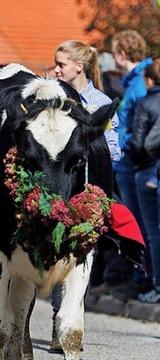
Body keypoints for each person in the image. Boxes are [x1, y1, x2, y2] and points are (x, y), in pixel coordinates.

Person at [51, 39, 120, 351]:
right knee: (54, 251)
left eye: (61, 64)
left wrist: (89, 150)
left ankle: (69, 317)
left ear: (78, 67)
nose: (55, 69)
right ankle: (58, 318)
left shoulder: (100, 102)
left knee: (80, 255)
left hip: (89, 192)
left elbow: (115, 149)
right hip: (57, 189)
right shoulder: (50, 98)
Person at [109, 30, 154, 300]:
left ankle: (145, 280)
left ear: (123, 54)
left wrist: (121, 140)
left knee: (140, 224)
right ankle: (140, 278)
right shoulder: (132, 81)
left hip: (131, 161)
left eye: (114, 53)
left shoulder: (138, 83)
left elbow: (138, 122)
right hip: (125, 162)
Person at [130, 59, 160, 304]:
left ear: (149, 79)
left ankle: (155, 285)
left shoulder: (146, 103)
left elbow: (139, 144)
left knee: (151, 231)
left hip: (146, 171)